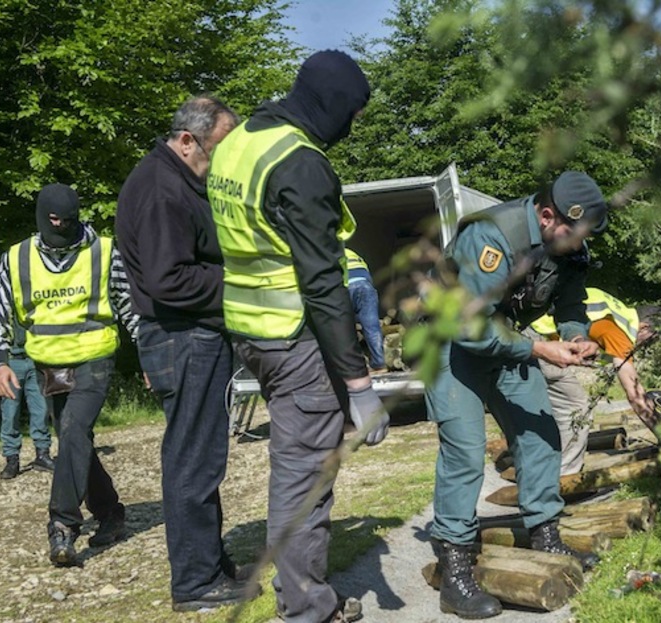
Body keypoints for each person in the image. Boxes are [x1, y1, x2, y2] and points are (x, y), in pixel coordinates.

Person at [208, 50, 389, 623]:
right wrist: (359, 383)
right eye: (353, 111)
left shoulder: (239, 142)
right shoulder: (300, 162)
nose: (353, 124)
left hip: (250, 332)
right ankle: (308, 609)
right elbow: (321, 280)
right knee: (306, 476)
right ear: (333, 102)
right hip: (296, 336)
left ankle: (300, 597)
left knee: (293, 469)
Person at [426, 171, 608, 619]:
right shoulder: (490, 237)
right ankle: (455, 569)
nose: (579, 242)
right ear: (548, 216)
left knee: (540, 432)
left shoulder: (568, 241)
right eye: (574, 232)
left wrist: (575, 333)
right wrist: (536, 347)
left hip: (504, 337)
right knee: (465, 451)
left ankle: (545, 534)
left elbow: (570, 299)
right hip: (452, 340)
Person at [115, 95, 254, 612]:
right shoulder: (160, 188)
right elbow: (168, 278)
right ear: (188, 140)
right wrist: (240, 280)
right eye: (219, 148)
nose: (223, 160)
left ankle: (209, 564)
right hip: (181, 338)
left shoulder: (178, 180)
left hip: (192, 337)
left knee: (202, 457)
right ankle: (195, 582)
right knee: (192, 461)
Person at [0, 183, 139, 567]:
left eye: (67, 220)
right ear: (41, 217)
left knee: (71, 431)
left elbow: (131, 305)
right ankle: (110, 513)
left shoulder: (103, 251)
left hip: (94, 358)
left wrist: (152, 356)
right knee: (74, 438)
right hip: (50, 366)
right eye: (54, 220)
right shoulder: (18, 258)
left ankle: (62, 523)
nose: (61, 226)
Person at [527, 288, 659, 475]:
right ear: (644, 326)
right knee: (576, 407)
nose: (651, 343)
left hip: (528, 329)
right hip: (537, 339)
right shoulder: (620, 330)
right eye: (653, 337)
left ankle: (538, 466)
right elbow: (634, 394)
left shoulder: (616, 312)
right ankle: (565, 477)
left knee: (551, 406)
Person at [0, 290, 52, 479]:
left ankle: (43, 454)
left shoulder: (32, 291)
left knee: (41, 408)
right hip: (8, 363)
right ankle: (12, 458)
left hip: (35, 359)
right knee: (10, 412)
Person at [346, 247, 387, 374]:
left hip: (346, 286)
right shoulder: (352, 252)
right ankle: (379, 364)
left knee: (344, 328)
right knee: (372, 327)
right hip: (366, 285)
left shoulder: (330, 251)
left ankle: (352, 367)